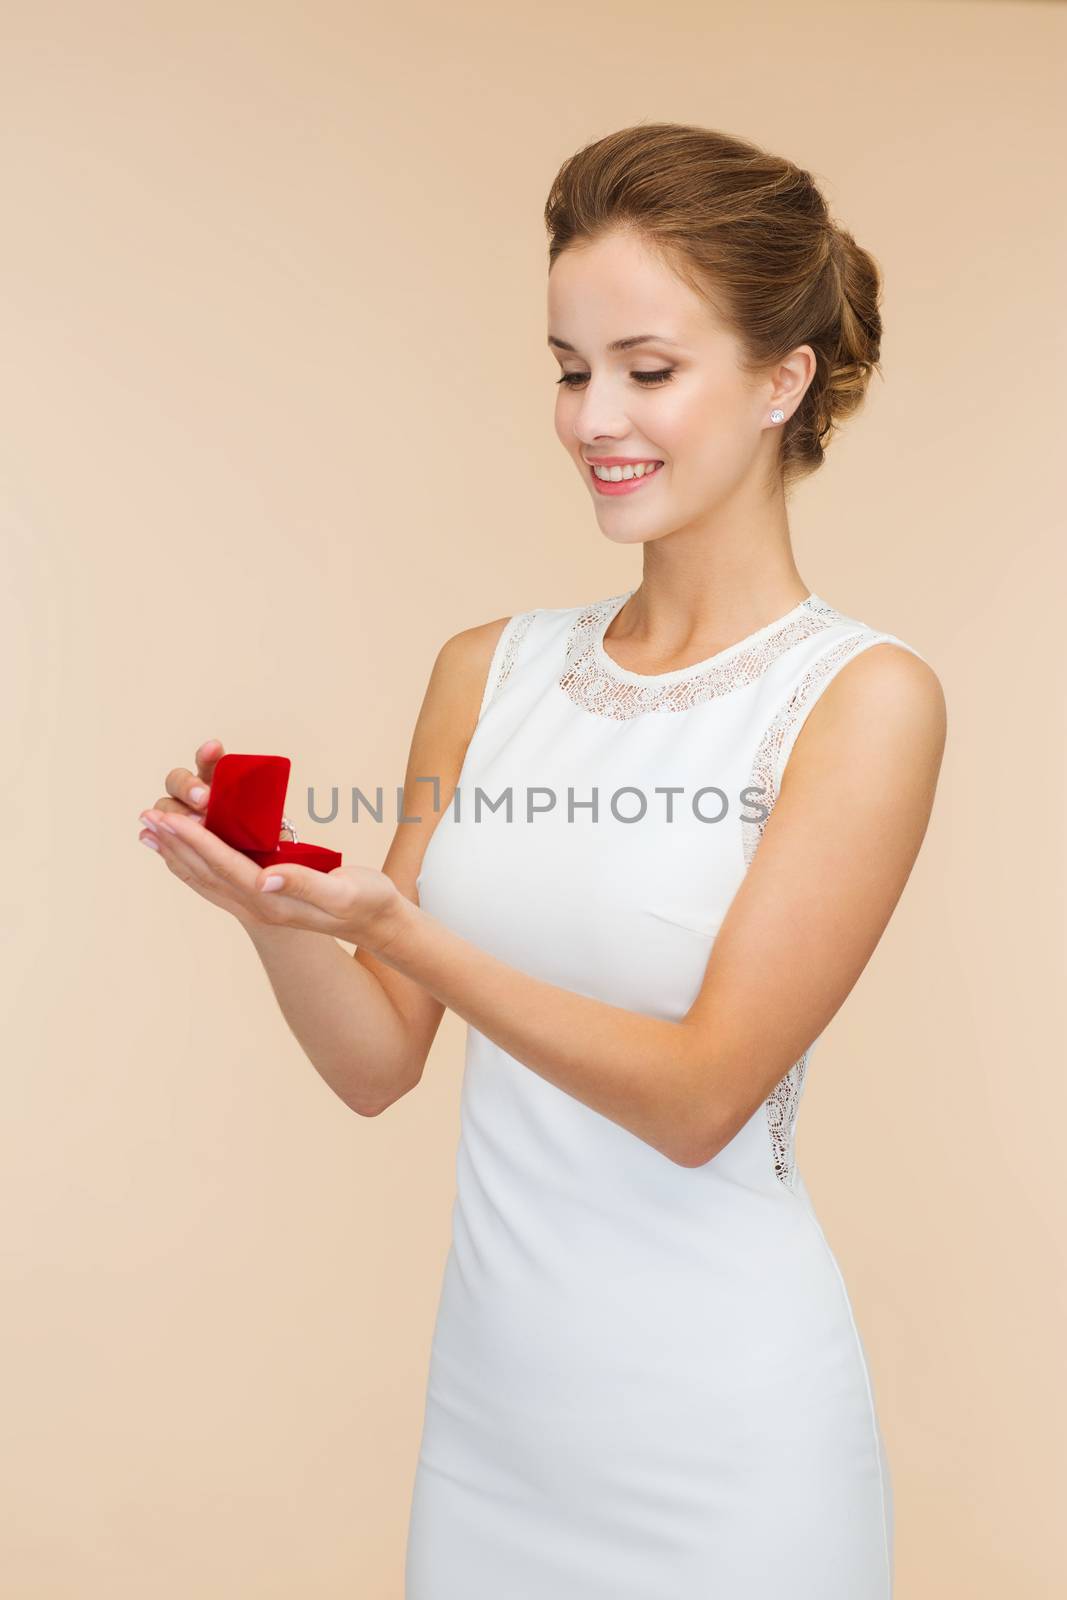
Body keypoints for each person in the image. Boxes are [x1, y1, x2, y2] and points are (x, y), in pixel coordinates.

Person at [138, 122, 946, 1599]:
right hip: (496, 1436)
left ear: (784, 379)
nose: (593, 417)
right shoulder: (488, 672)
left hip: (728, 1445)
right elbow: (382, 1062)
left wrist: (417, 932)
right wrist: (271, 915)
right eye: (573, 369)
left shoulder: (861, 701)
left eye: (649, 368)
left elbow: (705, 1096)